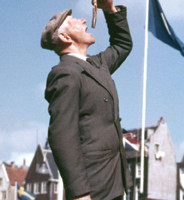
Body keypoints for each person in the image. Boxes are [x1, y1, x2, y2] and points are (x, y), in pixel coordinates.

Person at [41, 0, 133, 199]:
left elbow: (123, 44)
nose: (83, 20)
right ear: (65, 36)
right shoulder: (65, 73)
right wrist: (79, 192)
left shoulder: (97, 65)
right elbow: (62, 135)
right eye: (73, 20)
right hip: (93, 186)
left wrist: (109, 9)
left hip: (114, 182)